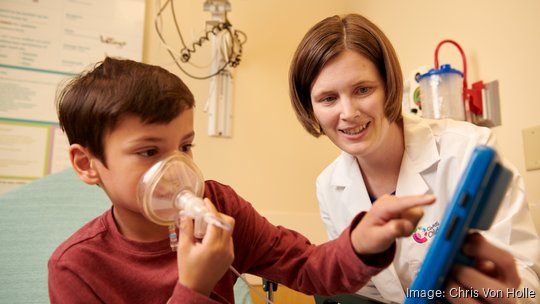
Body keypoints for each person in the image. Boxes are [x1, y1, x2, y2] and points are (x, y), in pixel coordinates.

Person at [48, 57, 437, 304]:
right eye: (149, 152)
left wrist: (360, 244)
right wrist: (194, 288)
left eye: (185, 147)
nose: (177, 171)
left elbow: (305, 266)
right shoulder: (77, 269)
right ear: (87, 164)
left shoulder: (218, 205)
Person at [289, 13, 540, 304]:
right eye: (328, 98)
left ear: (388, 86)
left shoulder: (467, 150)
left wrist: (501, 295)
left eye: (363, 89)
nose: (348, 112)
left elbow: (527, 284)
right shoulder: (329, 186)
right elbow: (368, 292)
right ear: (311, 108)